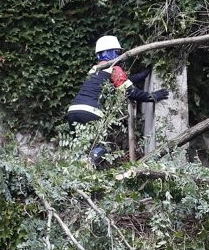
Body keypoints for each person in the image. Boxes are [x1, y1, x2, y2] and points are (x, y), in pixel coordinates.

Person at [67, 35, 169, 166]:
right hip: (91, 112)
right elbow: (129, 91)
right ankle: (89, 168)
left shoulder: (95, 69)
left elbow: (120, 83)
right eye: (118, 52)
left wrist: (142, 75)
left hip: (73, 111)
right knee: (101, 147)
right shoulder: (115, 68)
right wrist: (152, 97)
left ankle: (77, 172)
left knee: (79, 149)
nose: (120, 56)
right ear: (111, 53)